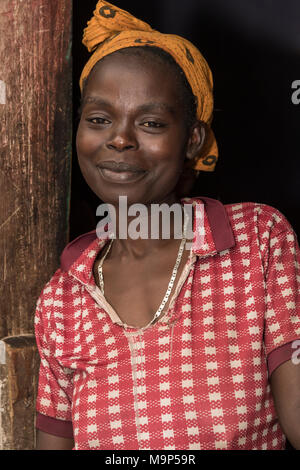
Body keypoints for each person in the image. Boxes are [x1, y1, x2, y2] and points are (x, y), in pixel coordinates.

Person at [35, 1, 300, 450]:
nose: (119, 138)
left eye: (152, 122)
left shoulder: (259, 241)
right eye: (99, 119)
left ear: (192, 139)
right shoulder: (62, 302)